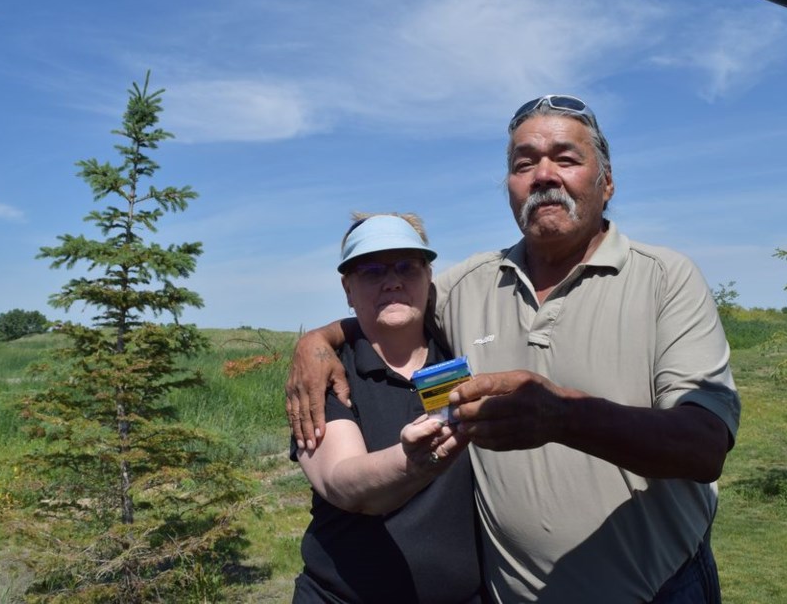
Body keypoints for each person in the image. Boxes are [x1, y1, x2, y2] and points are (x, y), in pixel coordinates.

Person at [285, 96, 741, 603]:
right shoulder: (468, 287)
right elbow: (391, 305)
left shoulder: (665, 278)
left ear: (606, 183)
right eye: (524, 163)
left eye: (566, 158)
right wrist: (317, 341)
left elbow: (704, 445)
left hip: (659, 587)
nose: (544, 174)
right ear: (509, 189)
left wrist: (563, 416)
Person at [290, 213, 484, 604]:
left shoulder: (464, 351)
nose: (392, 281)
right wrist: (410, 462)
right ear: (348, 288)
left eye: (407, 266)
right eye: (372, 270)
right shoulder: (327, 372)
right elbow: (342, 483)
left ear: (430, 276)